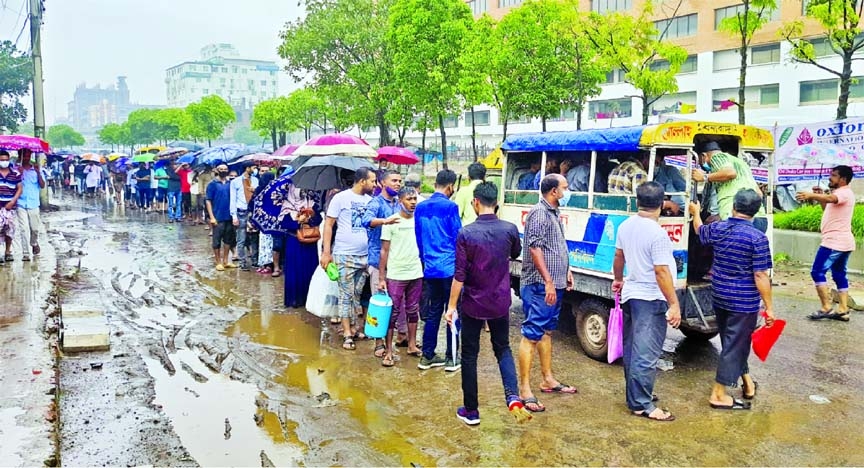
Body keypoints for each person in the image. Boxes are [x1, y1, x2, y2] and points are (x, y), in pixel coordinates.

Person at [445, 181, 532, 426]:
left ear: (475, 202)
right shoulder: (509, 229)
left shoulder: (466, 233)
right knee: (502, 348)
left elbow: (459, 275)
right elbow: (515, 252)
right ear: (497, 204)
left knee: (470, 355)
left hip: (473, 303)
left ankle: (471, 411)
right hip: (500, 301)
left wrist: (451, 307)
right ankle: (513, 397)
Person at [689, 189, 774, 410]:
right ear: (755, 212)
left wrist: (695, 212)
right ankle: (718, 394)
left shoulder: (719, 228)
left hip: (720, 296)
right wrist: (769, 306)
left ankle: (747, 383)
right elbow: (760, 275)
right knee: (735, 344)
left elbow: (699, 230)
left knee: (732, 342)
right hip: (743, 302)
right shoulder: (757, 238)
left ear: (734, 207)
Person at [612, 181, 682, 422]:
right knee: (646, 352)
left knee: (633, 349)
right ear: (662, 204)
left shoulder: (626, 225)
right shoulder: (658, 233)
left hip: (632, 294)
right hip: (650, 298)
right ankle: (642, 404)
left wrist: (619, 279)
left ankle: (637, 396)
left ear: (637, 201)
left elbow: (618, 256)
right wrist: (674, 304)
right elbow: (661, 271)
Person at [518, 174, 576, 413]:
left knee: (547, 331)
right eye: (565, 187)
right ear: (554, 191)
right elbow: (535, 248)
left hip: (555, 283)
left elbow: (557, 246)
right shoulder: (539, 213)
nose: (568, 190)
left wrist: (567, 271)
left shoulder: (553, 212)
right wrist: (549, 281)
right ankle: (524, 389)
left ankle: (548, 379)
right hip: (540, 286)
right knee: (532, 333)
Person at [320, 167, 377, 350]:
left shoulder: (371, 201)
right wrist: (326, 252)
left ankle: (354, 327)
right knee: (345, 294)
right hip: (344, 254)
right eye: (372, 181)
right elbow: (328, 225)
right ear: (362, 181)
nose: (374, 184)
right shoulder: (340, 198)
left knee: (356, 295)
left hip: (365, 256)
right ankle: (347, 334)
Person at [414, 169, 462, 371]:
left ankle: (427, 356)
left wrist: (425, 262)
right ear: (450, 186)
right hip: (449, 267)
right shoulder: (450, 207)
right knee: (452, 311)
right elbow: (458, 237)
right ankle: (452, 358)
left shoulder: (420, 206)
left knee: (433, 311)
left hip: (430, 267)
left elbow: (419, 238)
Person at [796, 165, 856, 322]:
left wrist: (812, 196)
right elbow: (828, 205)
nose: (830, 177)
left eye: (834, 175)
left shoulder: (844, 193)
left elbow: (831, 199)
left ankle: (826, 308)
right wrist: (819, 196)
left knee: (817, 272)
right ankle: (843, 310)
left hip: (834, 242)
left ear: (842, 179)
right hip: (843, 242)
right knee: (838, 274)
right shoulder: (839, 193)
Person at [378, 186, 423, 367]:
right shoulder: (391, 222)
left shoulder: (419, 221)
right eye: (409, 199)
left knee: (413, 309)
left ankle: (411, 344)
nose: (413, 203)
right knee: (393, 312)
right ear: (399, 201)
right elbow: (384, 250)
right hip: (396, 273)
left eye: (414, 199)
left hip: (416, 272)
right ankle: (388, 351)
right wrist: (382, 277)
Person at [361, 170, 404, 357]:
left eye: (400, 181)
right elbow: (365, 220)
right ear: (382, 183)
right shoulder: (376, 202)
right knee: (380, 303)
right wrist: (384, 221)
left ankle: (401, 337)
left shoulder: (400, 204)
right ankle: (378, 342)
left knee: (399, 303)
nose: (397, 184)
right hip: (378, 261)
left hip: (398, 260)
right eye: (394, 181)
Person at [691, 141, 767, 232]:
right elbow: (759, 193)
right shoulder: (741, 164)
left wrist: (704, 177)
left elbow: (730, 173)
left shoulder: (717, 157)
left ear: (703, 156)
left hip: (736, 220)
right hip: (760, 219)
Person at [282, 182, 323, 308]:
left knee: (308, 269)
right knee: (294, 271)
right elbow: (284, 224)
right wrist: (298, 222)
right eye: (298, 190)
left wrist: (310, 218)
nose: (301, 192)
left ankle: (308, 300)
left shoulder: (310, 203)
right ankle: (294, 301)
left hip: (309, 243)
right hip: (294, 243)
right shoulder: (287, 205)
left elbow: (319, 220)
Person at [13, 149, 44, 262]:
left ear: (30, 156)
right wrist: (19, 174)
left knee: (35, 228)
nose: (26, 158)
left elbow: (42, 185)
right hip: (20, 203)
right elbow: (11, 184)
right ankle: (26, 253)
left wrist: (38, 172)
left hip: (33, 203)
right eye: (23, 156)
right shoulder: (15, 169)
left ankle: (34, 243)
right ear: (20, 156)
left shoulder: (35, 170)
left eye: (27, 155)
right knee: (24, 228)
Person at [206, 164, 236, 271]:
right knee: (217, 240)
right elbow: (208, 201)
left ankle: (226, 261)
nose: (223, 171)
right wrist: (212, 217)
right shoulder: (212, 184)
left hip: (229, 216)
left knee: (228, 240)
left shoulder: (231, 183)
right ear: (217, 170)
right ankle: (218, 262)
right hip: (217, 216)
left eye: (225, 169)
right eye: (221, 169)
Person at [230, 163, 259, 271]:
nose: (255, 169)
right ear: (247, 168)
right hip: (241, 212)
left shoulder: (256, 180)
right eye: (253, 167)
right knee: (241, 238)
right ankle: (242, 261)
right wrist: (234, 216)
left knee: (254, 238)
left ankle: (255, 261)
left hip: (253, 212)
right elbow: (233, 199)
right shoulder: (235, 182)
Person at [0, 151, 22, 265]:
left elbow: (19, 188)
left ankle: (8, 251)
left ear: (9, 160)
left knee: (9, 230)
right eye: (1, 160)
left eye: (5, 160)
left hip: (10, 207)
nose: (4, 162)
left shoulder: (15, 173)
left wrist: (13, 201)